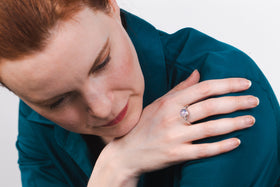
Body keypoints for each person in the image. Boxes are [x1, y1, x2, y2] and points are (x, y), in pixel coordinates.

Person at [0, 0, 279, 186]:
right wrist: (115, 170)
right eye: (59, 100)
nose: (102, 107)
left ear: (110, 6)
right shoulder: (37, 114)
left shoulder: (221, 86)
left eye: (102, 62)